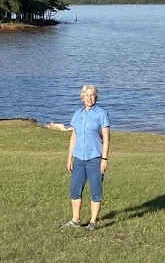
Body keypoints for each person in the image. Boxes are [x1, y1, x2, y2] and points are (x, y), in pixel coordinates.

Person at [63, 84, 110, 231]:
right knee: (75, 188)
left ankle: (93, 222)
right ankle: (75, 219)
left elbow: (107, 139)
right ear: (82, 97)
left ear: (96, 97)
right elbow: (74, 136)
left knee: (96, 190)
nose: (90, 98)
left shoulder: (101, 113)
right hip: (78, 158)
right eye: (87, 95)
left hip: (95, 158)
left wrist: (104, 159)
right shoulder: (77, 114)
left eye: (92, 95)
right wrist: (69, 157)